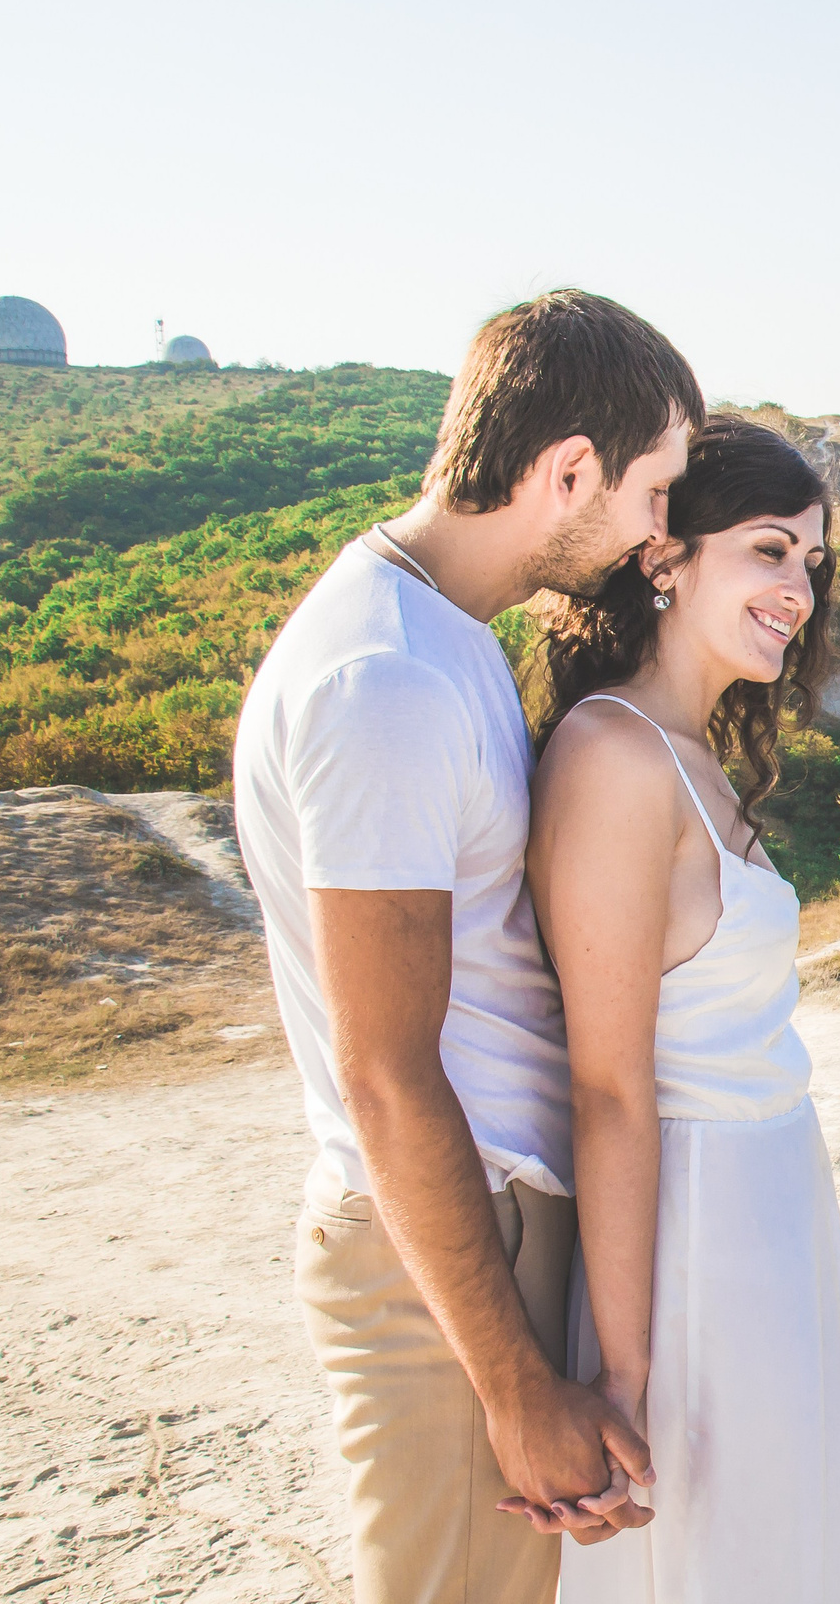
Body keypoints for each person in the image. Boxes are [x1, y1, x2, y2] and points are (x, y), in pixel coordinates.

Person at [233, 289, 704, 1602]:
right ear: (569, 470)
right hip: (447, 1256)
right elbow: (386, 1072)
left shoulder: (441, 637)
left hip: (485, 1227)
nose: (659, 531)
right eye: (655, 491)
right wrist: (513, 1383)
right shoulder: (383, 683)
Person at [514, 415, 840, 1597]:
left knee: (783, 1544)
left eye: (812, 563)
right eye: (769, 549)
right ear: (665, 555)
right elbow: (610, 1085)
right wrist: (624, 1374)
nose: (798, 590)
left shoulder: (691, 752)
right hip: (697, 1234)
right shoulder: (614, 755)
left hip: (771, 1210)